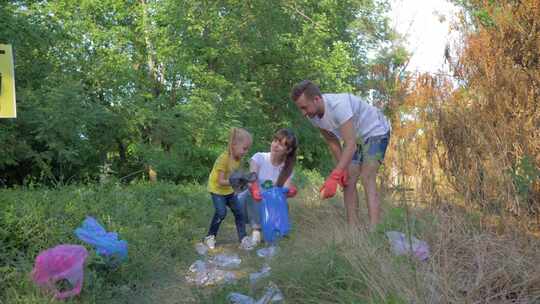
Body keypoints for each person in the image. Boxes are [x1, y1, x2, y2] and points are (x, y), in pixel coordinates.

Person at [291, 80, 391, 228]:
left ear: (317, 99)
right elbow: (332, 141)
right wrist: (342, 170)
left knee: (367, 176)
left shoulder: (339, 106)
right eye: (301, 109)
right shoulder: (313, 117)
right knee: (348, 180)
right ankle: (353, 229)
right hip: (354, 136)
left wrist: (334, 175)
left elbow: (349, 144)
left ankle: (374, 230)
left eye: (304, 107)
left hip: (375, 131)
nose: (303, 113)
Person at [239, 128, 298, 245]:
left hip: (269, 203)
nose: (275, 145)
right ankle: (256, 230)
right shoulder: (259, 157)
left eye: (281, 144)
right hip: (249, 201)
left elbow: (284, 190)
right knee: (254, 191)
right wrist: (255, 189)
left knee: (279, 198)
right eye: (275, 141)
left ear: (288, 150)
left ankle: (273, 229)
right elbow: (252, 178)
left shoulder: (287, 168)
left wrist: (289, 191)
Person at [205, 128, 253, 250]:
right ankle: (210, 237)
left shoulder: (238, 159)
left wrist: (244, 181)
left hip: (229, 191)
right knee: (221, 213)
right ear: (234, 145)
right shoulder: (223, 159)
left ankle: (243, 238)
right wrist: (235, 182)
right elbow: (220, 181)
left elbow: (235, 176)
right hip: (217, 190)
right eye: (244, 148)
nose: (246, 152)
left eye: (247, 149)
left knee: (239, 212)